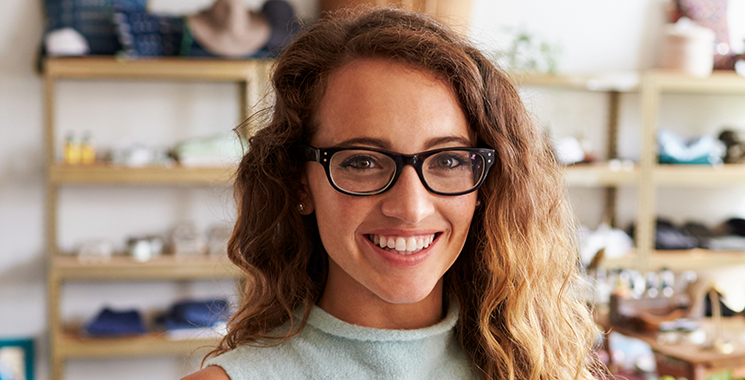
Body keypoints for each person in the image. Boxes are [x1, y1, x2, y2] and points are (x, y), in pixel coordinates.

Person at [183, 7, 602, 380]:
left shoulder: (540, 366)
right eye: (363, 162)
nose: (411, 208)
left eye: (449, 160)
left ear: (487, 185)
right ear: (299, 182)